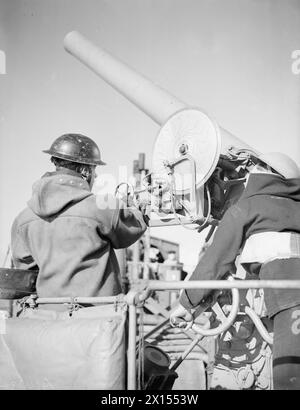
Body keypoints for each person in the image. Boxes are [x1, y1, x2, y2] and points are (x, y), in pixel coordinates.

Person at [170, 152, 300, 390]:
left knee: (290, 379)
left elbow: (215, 260)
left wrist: (188, 304)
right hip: (289, 299)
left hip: (289, 301)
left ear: (263, 171)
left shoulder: (248, 207)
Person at [11, 133, 148, 303]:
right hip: (97, 316)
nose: (96, 177)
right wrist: (137, 208)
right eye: (94, 170)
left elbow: (26, 271)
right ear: (85, 171)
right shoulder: (102, 208)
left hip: (47, 314)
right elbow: (131, 230)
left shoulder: (23, 219)